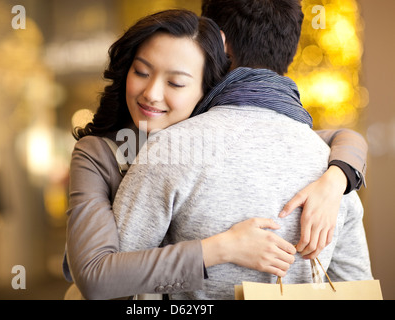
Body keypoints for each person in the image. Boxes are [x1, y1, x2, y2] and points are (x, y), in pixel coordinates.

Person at [113, 0, 373, 300]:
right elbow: (355, 285)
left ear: (218, 44)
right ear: (290, 47)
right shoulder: (332, 168)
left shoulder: (170, 148)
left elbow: (116, 281)